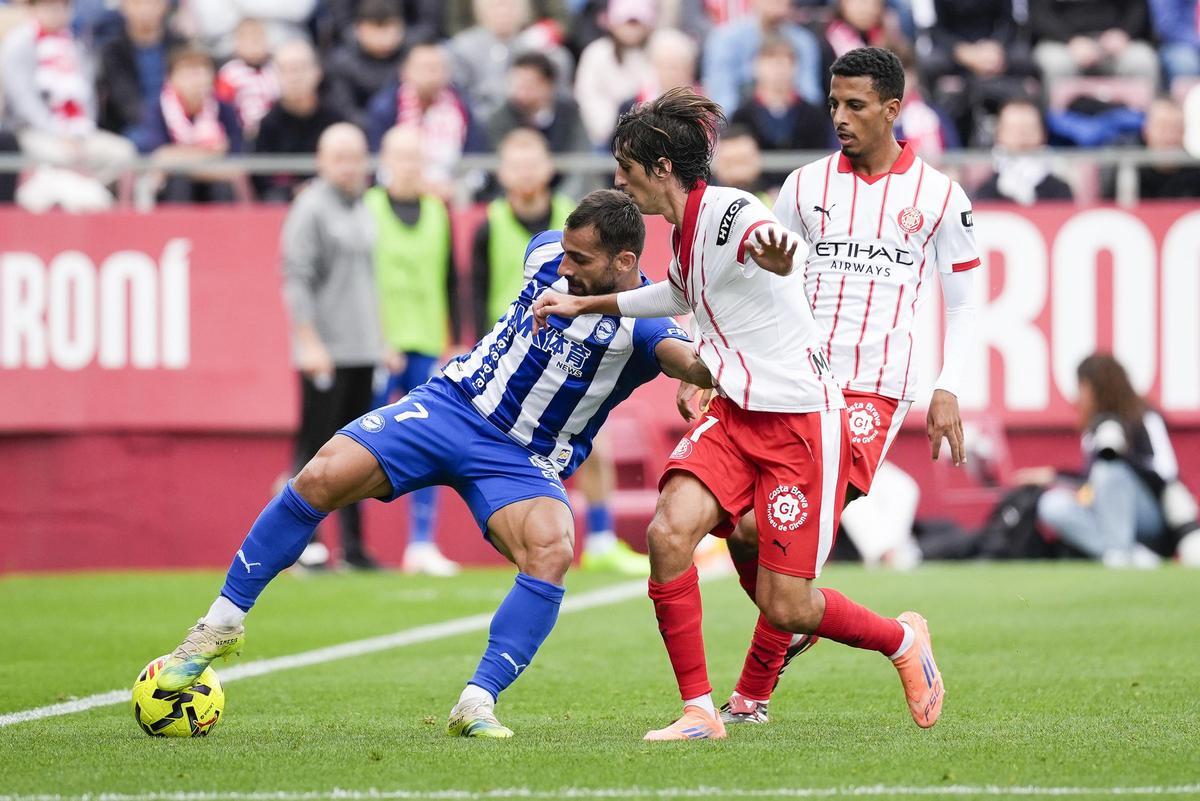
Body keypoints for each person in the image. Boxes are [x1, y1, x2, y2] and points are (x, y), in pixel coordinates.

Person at [152, 189, 714, 740]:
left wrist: (700, 377)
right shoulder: (545, 252)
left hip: (521, 459)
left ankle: (477, 700)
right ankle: (219, 625)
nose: (564, 266)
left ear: (625, 262)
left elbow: (695, 362)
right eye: (564, 252)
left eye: (580, 260)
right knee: (319, 476)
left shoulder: (645, 329)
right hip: (450, 405)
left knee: (552, 549)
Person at [532, 86, 944, 741]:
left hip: (799, 425)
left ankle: (900, 639)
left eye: (625, 167)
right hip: (735, 415)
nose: (619, 179)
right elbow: (676, 290)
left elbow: (762, 236)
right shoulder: (685, 229)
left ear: (660, 167)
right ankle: (700, 710)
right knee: (670, 534)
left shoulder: (725, 210)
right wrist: (588, 304)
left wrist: (777, 252)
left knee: (790, 604)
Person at [717, 46, 979, 725]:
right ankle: (801, 630)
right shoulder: (803, 188)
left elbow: (965, 302)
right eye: (833, 103)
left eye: (855, 105)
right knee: (745, 534)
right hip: (795, 379)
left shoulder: (940, 198)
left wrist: (947, 386)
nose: (840, 117)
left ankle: (750, 698)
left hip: (872, 392)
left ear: (893, 109)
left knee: (781, 533)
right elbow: (768, 282)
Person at [280, 123, 384, 570]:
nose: (349, 166)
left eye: (356, 156)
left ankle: (353, 546)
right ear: (321, 161)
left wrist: (380, 340)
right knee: (314, 451)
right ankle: (305, 543)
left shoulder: (362, 207)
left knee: (357, 454)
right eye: (339, 157)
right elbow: (295, 276)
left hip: (362, 350)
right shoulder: (311, 208)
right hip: (328, 350)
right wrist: (308, 340)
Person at [364, 126, 463, 576]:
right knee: (357, 442)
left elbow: (449, 280)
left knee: (430, 444)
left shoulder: (438, 212)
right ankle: (345, 542)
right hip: (378, 345)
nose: (408, 166)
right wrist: (375, 336)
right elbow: (360, 280)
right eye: (400, 157)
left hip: (425, 341)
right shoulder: (368, 208)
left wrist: (452, 339)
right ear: (384, 160)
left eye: (415, 158)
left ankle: (421, 542)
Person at [1030, 354, 1179, 568]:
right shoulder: (1094, 430)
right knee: (1051, 504)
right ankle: (1129, 553)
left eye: (1082, 387)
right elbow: (1090, 482)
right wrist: (1054, 476)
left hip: (1148, 515)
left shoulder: (1144, 417)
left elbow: (1167, 472)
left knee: (1109, 470)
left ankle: (1120, 552)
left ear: (1099, 388)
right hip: (1105, 512)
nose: (1077, 397)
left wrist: (1121, 457)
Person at [1, 0, 137, 212]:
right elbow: (23, 99)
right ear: (34, 9)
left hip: (79, 131)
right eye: (49, 7)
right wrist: (57, 131)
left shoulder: (75, 45)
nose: (57, 13)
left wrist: (81, 130)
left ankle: (115, 214)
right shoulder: (19, 44)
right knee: (61, 157)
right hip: (33, 131)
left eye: (63, 7)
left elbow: (87, 95)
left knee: (124, 153)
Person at [472, 128, 574, 339]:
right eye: (517, 167)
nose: (526, 173)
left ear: (550, 167)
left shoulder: (573, 218)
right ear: (501, 172)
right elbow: (477, 292)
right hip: (505, 339)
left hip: (563, 338)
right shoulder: (490, 223)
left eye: (533, 165)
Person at [365, 42, 486, 199]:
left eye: (437, 68)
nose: (431, 74)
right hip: (398, 193)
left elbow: (476, 163)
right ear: (404, 72)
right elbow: (376, 164)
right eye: (423, 68)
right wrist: (415, 186)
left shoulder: (462, 108)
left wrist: (455, 188)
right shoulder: (386, 108)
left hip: (450, 194)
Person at [128, 43, 244, 204]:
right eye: (189, 73)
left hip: (214, 184)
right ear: (171, 78)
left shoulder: (224, 109)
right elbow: (160, 157)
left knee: (222, 187)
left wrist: (179, 159)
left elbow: (235, 166)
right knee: (179, 183)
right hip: (175, 187)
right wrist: (213, 155)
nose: (197, 79)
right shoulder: (158, 109)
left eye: (202, 71)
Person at [448, 0, 573, 122]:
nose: (503, 12)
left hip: (528, 119)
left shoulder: (533, 43)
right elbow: (460, 94)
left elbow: (559, 85)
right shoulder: (463, 46)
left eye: (510, 6)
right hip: (481, 120)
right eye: (496, 6)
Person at [253, 39, 344, 202]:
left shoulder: (336, 120)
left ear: (318, 71)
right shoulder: (268, 125)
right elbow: (262, 181)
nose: (294, 77)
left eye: (300, 68)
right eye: (286, 70)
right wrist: (294, 191)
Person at [702, 0, 824, 116]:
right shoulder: (725, 39)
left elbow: (810, 95)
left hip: (794, 125)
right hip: (741, 128)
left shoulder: (804, 42)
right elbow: (722, 100)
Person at [95, 0, 183, 139]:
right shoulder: (113, 51)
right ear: (124, 7)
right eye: (137, 3)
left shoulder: (180, 45)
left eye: (152, 3)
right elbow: (125, 100)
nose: (145, 9)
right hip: (134, 126)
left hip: (179, 121)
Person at [574, 0, 655, 147]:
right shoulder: (596, 53)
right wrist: (610, 128)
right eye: (627, 23)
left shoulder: (655, 53)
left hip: (646, 134)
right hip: (603, 136)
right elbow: (587, 95)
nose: (632, 30)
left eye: (636, 24)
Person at [1029, 0, 1159, 91]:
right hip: (1062, 42)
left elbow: (1138, 8)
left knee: (1142, 61)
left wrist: (1124, 33)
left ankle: (1146, 127)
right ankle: (1054, 128)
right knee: (1056, 65)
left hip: (1115, 41)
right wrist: (1070, 40)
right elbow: (1039, 15)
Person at [323, 0, 408, 130]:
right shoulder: (341, 62)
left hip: (404, 132)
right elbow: (344, 110)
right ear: (359, 29)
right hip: (358, 133)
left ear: (401, 28)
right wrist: (376, 125)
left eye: (387, 28)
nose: (382, 37)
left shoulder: (412, 59)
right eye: (375, 28)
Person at [974, 98, 1073, 204]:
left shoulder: (1059, 189)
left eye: (1028, 128)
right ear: (999, 133)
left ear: (1043, 133)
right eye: (1014, 128)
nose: (1022, 135)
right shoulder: (987, 191)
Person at [214, 17, 279, 142]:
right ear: (237, 44)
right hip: (240, 132)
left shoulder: (274, 70)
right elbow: (223, 106)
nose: (254, 44)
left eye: (258, 39)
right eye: (247, 39)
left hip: (271, 130)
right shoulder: (230, 73)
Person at [1134, 97, 1200, 199]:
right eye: (1163, 128)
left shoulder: (1196, 171)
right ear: (1146, 131)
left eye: (1177, 128)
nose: (1170, 137)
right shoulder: (1126, 166)